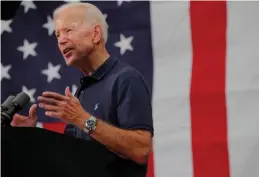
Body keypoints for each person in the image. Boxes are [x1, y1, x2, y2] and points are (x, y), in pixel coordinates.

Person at [11, 2, 154, 177]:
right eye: (57, 35)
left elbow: (140, 150)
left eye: (68, 30)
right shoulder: (84, 91)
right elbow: (71, 161)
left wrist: (82, 118)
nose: (61, 40)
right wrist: (30, 137)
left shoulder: (125, 79)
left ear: (95, 34)